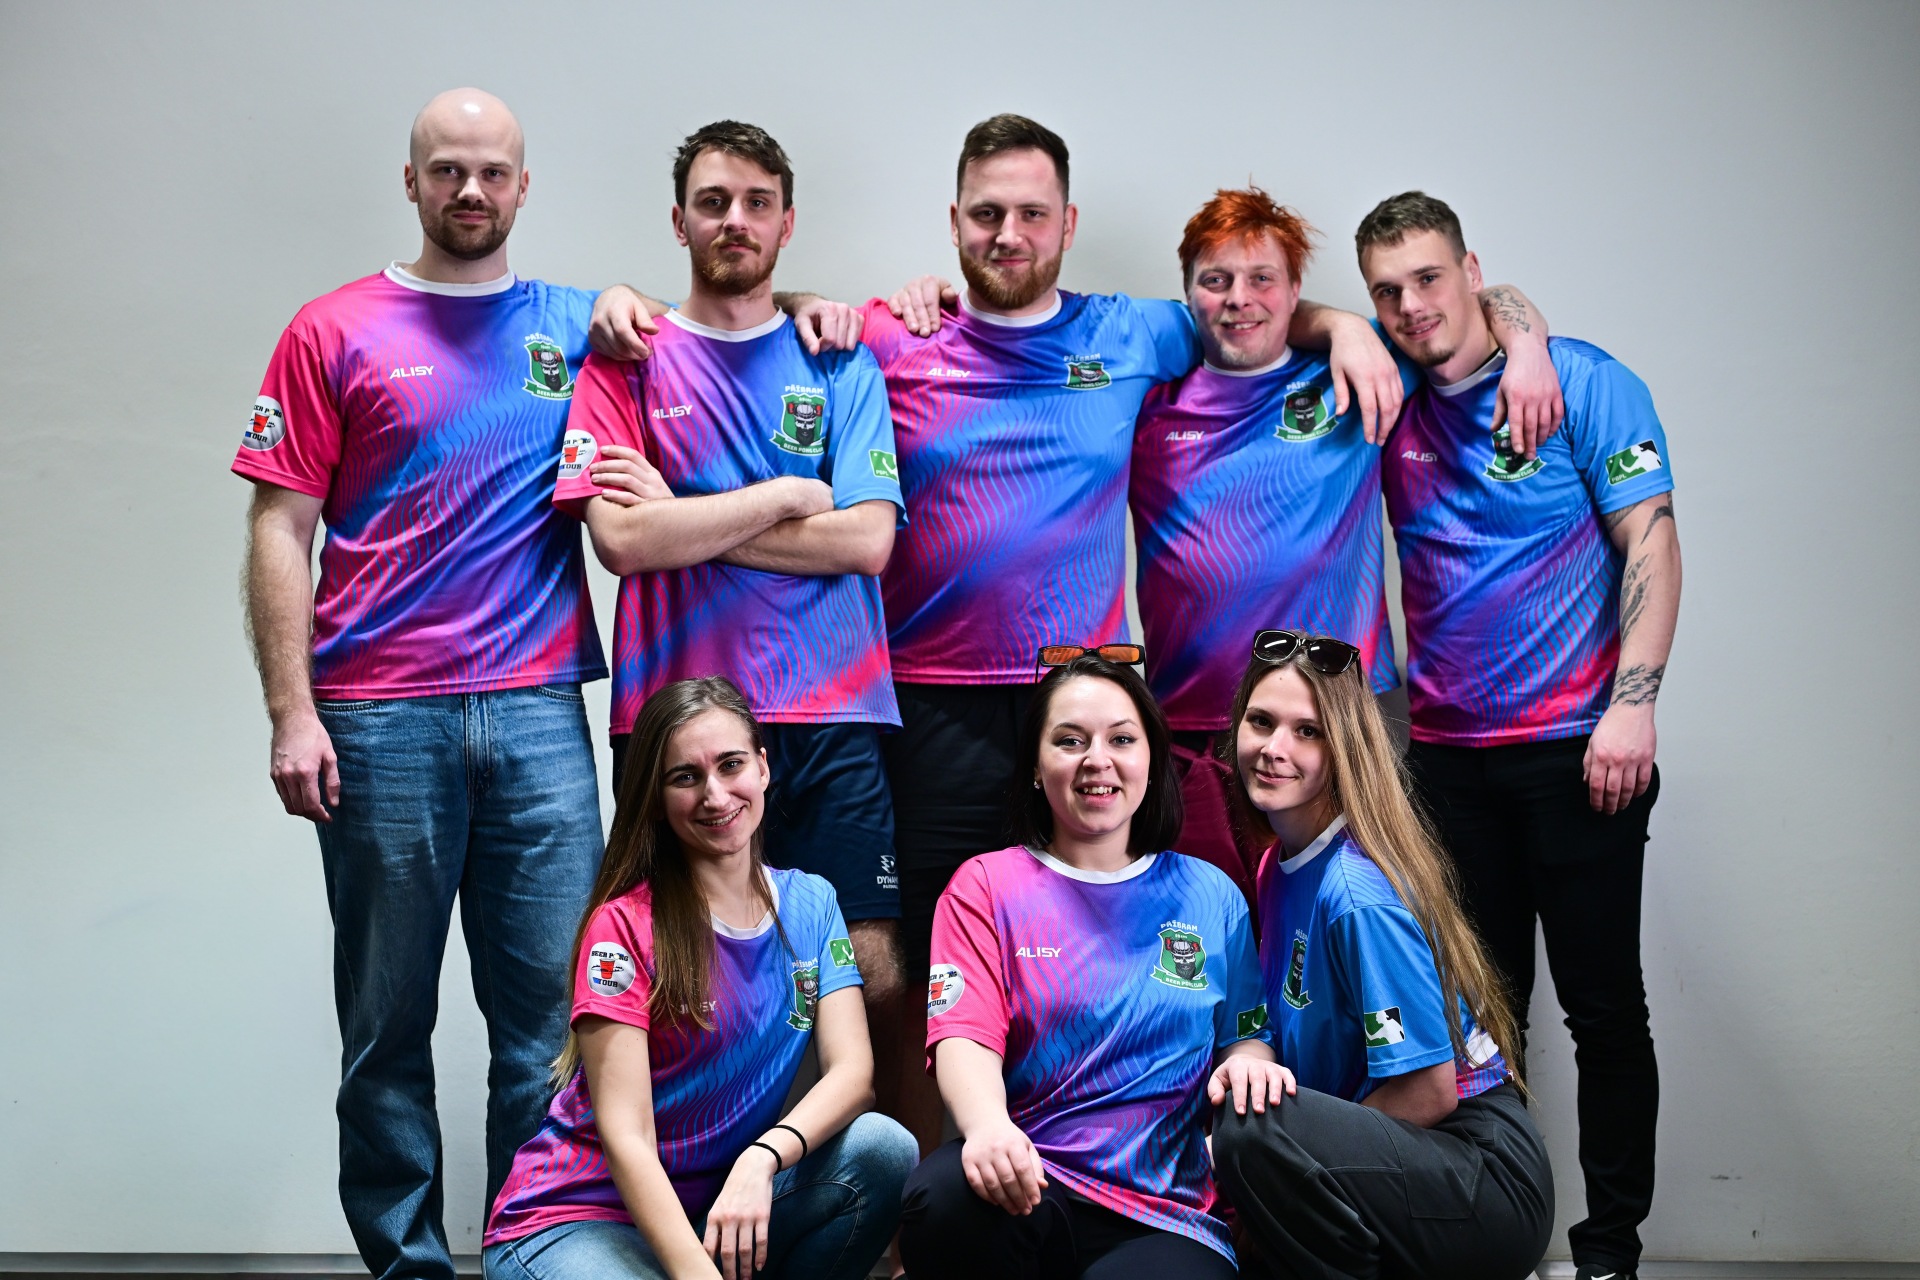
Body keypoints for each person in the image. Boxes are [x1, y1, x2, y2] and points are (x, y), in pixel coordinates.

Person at [863, 115, 1406, 1151]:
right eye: (987, 213)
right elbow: (778, 318)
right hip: (931, 703)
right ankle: (937, 1196)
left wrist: (1346, 326)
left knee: (1121, 951)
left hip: (1083, 700)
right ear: (955, 221)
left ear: (1068, 224)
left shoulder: (1133, 334)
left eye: (1031, 213)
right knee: (934, 965)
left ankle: (1130, 1171)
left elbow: (1254, 314)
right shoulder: (898, 334)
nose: (1008, 234)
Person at [236, 88, 619, 1280]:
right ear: (411, 182)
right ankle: (407, 1265)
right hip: (377, 718)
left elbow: (728, 319)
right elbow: (279, 528)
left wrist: (818, 306)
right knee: (387, 1025)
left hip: (540, 711)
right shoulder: (331, 328)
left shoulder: (579, 323)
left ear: (523, 186)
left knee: (551, 1029)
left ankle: (532, 1252)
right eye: (447, 169)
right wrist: (291, 711)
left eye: (492, 171)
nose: (470, 190)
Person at [552, 121, 916, 1132]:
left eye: (757, 203)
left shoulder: (836, 357)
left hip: (835, 707)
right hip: (674, 715)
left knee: (871, 965)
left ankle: (849, 1189)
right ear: (680, 222)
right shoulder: (627, 360)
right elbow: (623, 540)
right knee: (682, 969)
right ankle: (698, 1182)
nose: (735, 221)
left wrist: (689, 517)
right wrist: (787, 495)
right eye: (713, 202)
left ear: (787, 223)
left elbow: (866, 542)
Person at [1359, 191, 1681, 1280]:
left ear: (1472, 271)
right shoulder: (1394, 397)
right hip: (1449, 763)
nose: (1412, 304)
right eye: (1388, 290)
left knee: (1603, 1008)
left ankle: (1610, 1252)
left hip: (1583, 750)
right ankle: (1509, 1241)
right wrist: (1514, 324)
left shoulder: (1581, 380)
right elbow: (1303, 322)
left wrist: (1634, 704)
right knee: (1486, 1024)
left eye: (1430, 277)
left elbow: (1651, 539)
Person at [1129, 187, 1563, 908]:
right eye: (1216, 280)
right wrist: (1338, 323)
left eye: (1262, 278)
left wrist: (1524, 347)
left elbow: (1481, 302)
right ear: (1189, 292)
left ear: (1295, 287)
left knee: (1349, 932)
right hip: (1190, 732)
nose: (1239, 299)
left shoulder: (1359, 374)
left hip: (1342, 723)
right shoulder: (1147, 400)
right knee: (1209, 943)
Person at [483, 676, 917, 1280]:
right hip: (581, 1218)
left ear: (762, 767)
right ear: (658, 798)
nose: (715, 795)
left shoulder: (813, 903)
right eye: (685, 777)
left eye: (731, 765)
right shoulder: (623, 925)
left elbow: (853, 1076)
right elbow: (628, 1137)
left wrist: (763, 1158)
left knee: (883, 1149)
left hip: (720, 1209)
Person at [897, 651, 1284, 1279]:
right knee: (942, 1198)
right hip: (1030, 1176)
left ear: (1152, 759)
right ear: (1035, 765)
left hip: (1166, 1210)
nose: (1096, 760)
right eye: (1070, 741)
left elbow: (1247, 1038)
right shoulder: (984, 886)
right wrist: (988, 1127)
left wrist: (1248, 1066)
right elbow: (963, 1037)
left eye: (1121, 740)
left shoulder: (1211, 894)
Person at [1209, 629, 1555, 1280]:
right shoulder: (1277, 866)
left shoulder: (1354, 892)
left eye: (1308, 732)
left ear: (1344, 750)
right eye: (1261, 721)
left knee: (1252, 1129)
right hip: (1411, 1160)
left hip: (1481, 1174)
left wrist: (1282, 1167)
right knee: (1246, 1110)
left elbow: (1428, 1093)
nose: (1275, 748)